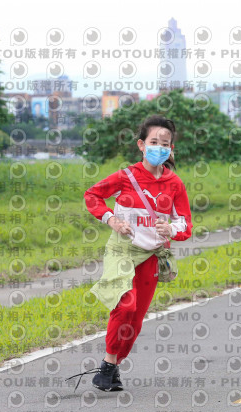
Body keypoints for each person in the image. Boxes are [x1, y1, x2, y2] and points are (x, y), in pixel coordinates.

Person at [73, 115, 192, 391]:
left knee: (136, 318)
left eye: (165, 144)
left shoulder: (175, 184)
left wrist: (171, 229)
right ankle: (107, 366)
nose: (160, 148)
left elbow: (185, 224)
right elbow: (92, 195)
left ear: (171, 149)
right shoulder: (126, 177)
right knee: (125, 305)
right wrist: (112, 219)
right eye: (154, 142)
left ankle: (112, 366)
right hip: (122, 250)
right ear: (141, 145)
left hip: (151, 255)